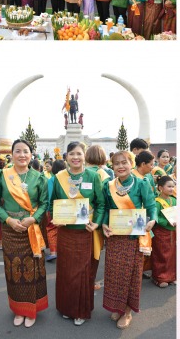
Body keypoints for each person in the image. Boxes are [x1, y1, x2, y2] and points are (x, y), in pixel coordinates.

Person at [0, 139, 48, 328]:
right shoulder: (1, 175)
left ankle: (31, 310)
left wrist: (34, 218)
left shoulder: (39, 177)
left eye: (26, 151)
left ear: (31, 155)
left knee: (32, 270)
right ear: (12, 154)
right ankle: (18, 309)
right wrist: (8, 220)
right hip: (10, 229)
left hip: (31, 229)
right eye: (18, 151)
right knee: (13, 270)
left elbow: (44, 203)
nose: (22, 155)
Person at [50, 141, 105, 326]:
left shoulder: (93, 176)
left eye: (79, 154)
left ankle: (81, 310)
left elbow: (101, 203)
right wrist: (56, 217)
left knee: (82, 272)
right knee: (66, 271)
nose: (75, 157)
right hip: (66, 231)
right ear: (66, 156)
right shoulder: (59, 177)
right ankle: (67, 308)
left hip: (86, 232)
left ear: (84, 156)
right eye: (72, 154)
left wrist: (96, 222)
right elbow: (53, 202)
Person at [101, 150, 157, 330]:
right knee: (114, 274)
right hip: (116, 237)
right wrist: (104, 224)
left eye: (124, 162)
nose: (121, 166)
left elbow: (151, 206)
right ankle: (117, 306)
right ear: (112, 166)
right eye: (117, 163)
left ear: (131, 164)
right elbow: (105, 208)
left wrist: (153, 219)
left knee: (130, 275)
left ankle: (127, 311)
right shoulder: (108, 185)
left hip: (134, 238)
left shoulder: (142, 184)